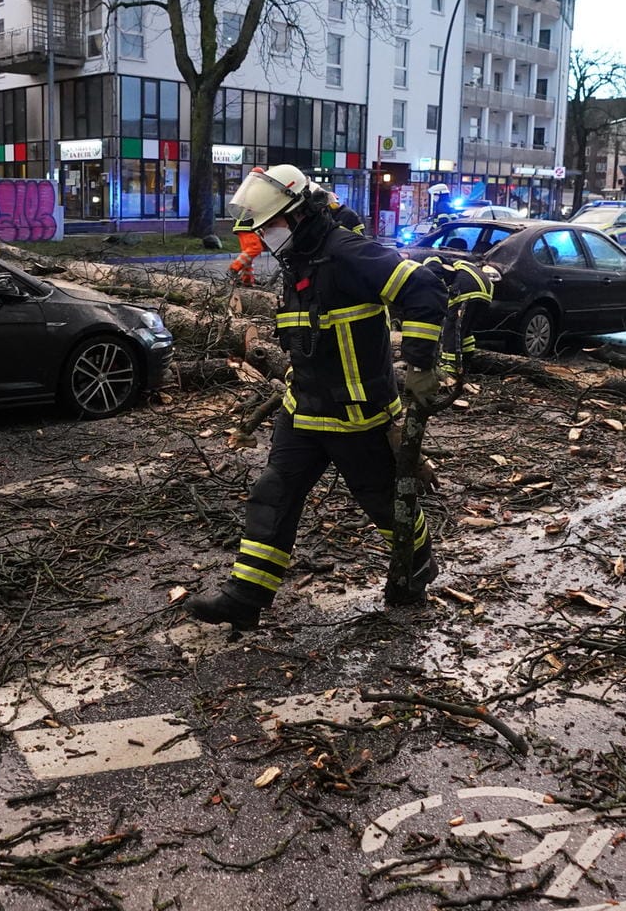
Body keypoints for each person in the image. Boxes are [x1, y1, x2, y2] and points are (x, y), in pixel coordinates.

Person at [185, 165, 450, 632]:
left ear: (299, 214)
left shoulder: (347, 253)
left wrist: (422, 365)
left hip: (357, 417)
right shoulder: (300, 261)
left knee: (385, 504)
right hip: (303, 410)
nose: (266, 236)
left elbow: (424, 286)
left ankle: (417, 568)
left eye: (271, 226)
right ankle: (245, 597)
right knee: (273, 495)